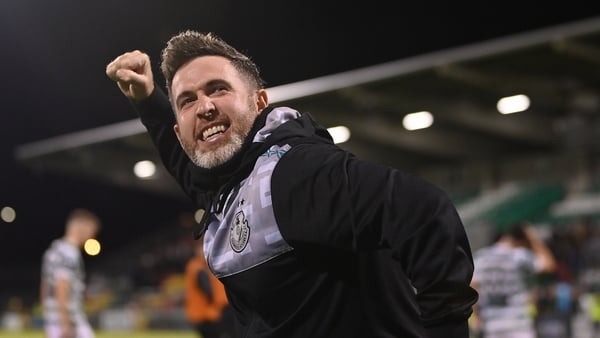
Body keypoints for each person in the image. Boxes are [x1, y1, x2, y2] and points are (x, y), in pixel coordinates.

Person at [106, 30, 479, 337]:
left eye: (218, 89)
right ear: (178, 128)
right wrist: (146, 99)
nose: (203, 107)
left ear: (260, 102)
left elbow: (424, 211)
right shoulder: (227, 183)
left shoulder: (294, 172)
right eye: (187, 101)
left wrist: (445, 329)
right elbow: (186, 163)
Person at [470, 222, 556, 338]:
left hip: (492, 325)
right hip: (518, 324)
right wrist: (534, 239)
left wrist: (476, 316)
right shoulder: (519, 256)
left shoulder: (481, 257)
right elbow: (549, 265)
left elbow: (474, 286)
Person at [40, 208, 101, 338]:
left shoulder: (54, 249)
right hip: (70, 319)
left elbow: (45, 285)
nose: (92, 235)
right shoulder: (69, 253)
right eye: (92, 230)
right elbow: (61, 285)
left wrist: (48, 314)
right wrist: (65, 322)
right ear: (81, 227)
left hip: (53, 317)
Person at [185, 238, 234, 338]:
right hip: (207, 314)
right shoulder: (197, 267)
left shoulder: (199, 266)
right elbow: (208, 291)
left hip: (203, 315)